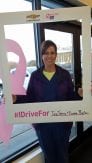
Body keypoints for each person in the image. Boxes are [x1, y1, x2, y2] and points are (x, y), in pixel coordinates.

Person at [14, 40, 82, 163]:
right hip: (43, 126)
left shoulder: (65, 74)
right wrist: (16, 99)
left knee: (62, 157)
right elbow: (30, 97)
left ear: (56, 55)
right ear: (42, 56)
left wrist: (79, 95)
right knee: (49, 158)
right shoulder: (35, 76)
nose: (49, 56)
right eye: (46, 53)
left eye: (52, 53)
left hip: (62, 125)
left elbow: (70, 97)